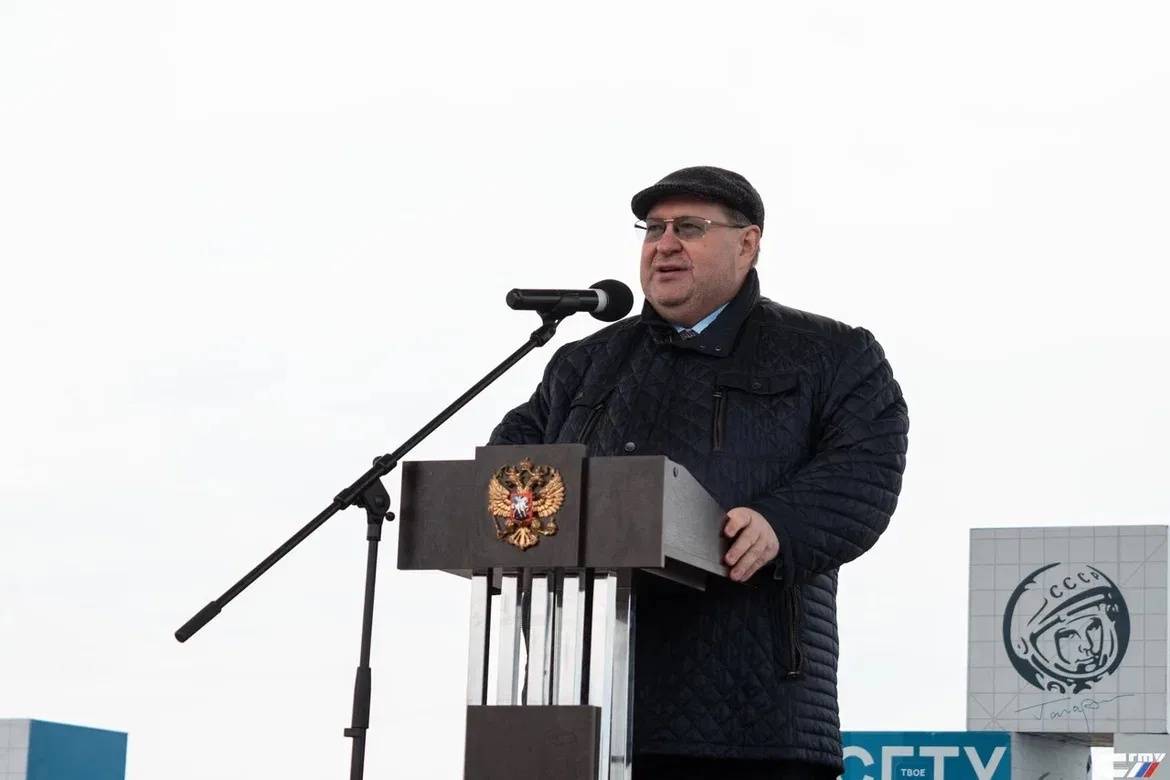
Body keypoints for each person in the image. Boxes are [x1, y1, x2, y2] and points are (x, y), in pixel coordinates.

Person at [489, 166, 909, 779]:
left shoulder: (831, 353)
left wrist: (779, 524)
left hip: (749, 714)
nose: (664, 245)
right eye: (653, 228)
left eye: (689, 227)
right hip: (583, 702)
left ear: (747, 243)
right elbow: (511, 467)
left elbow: (864, 472)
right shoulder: (584, 362)